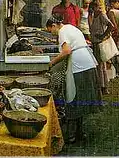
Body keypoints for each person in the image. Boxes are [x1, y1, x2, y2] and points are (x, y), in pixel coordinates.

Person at [47, 14, 101, 143]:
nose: (53, 34)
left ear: (54, 26)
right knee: (81, 99)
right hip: (88, 63)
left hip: (79, 66)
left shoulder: (62, 32)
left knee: (73, 98)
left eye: (51, 31)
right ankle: (79, 132)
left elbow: (66, 51)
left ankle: (71, 135)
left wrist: (52, 63)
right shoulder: (70, 27)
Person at [89, 0, 118, 94]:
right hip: (94, 42)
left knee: (101, 65)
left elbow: (111, 26)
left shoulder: (101, 14)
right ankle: (101, 85)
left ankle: (103, 87)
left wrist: (103, 35)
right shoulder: (93, 15)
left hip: (100, 42)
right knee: (99, 65)